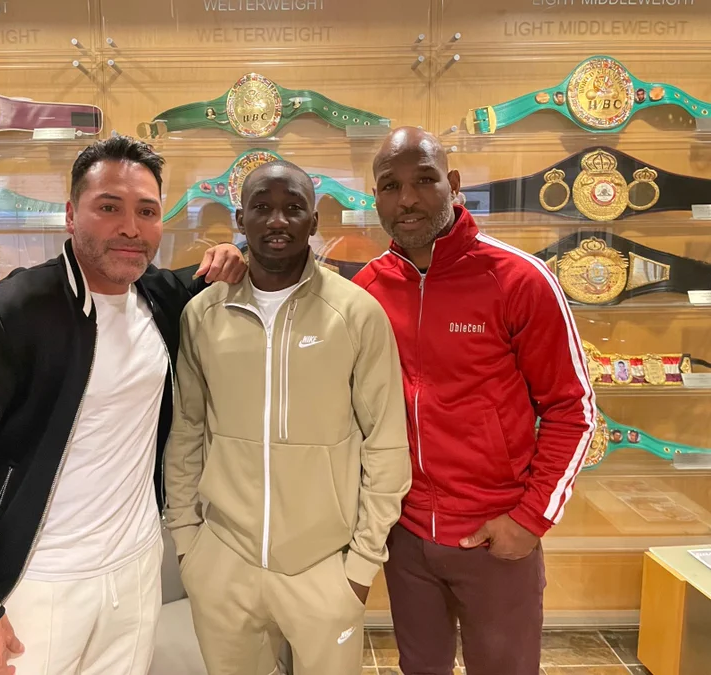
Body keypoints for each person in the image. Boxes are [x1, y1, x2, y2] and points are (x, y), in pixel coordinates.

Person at [0, 136, 248, 675]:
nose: (131, 228)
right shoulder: (12, 313)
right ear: (71, 215)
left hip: (137, 568)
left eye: (147, 212)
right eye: (109, 208)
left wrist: (230, 254)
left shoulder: (161, 298)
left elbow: (203, 277)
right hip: (38, 579)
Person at [353, 128, 596, 675]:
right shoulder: (368, 289)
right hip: (406, 536)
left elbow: (573, 409)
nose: (407, 199)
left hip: (496, 536)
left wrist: (530, 518)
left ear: (454, 184)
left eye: (424, 180)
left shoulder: (519, 279)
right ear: (376, 197)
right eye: (390, 186)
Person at [163, 160, 411, 675]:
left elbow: (385, 442)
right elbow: (186, 433)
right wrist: (188, 544)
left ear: (313, 221)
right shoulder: (203, 314)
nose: (277, 220)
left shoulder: (356, 313)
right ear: (241, 218)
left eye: (293, 208)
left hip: (324, 566)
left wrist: (361, 566)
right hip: (222, 561)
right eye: (262, 207)